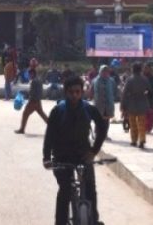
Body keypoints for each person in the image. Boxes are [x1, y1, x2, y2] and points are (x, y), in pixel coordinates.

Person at [43, 76, 108, 225]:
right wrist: (46, 158)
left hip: (83, 155)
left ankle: (93, 220)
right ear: (65, 92)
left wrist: (94, 151)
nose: (74, 95)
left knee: (90, 189)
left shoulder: (88, 109)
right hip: (62, 157)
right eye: (71, 92)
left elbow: (102, 128)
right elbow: (49, 136)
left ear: (82, 92)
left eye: (78, 92)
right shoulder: (58, 111)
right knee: (65, 190)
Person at [120, 62, 151, 149]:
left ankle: (134, 140)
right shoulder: (145, 79)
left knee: (133, 123)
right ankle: (142, 139)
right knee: (142, 123)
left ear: (133, 69)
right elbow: (149, 90)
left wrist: (123, 105)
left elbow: (124, 93)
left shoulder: (129, 80)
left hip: (131, 103)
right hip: (142, 103)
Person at [15, 68, 48, 134]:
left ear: (32, 74)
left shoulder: (34, 81)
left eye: (29, 74)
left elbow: (32, 92)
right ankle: (54, 127)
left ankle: (22, 129)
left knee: (25, 114)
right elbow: (39, 91)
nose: (28, 75)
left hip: (33, 101)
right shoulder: (39, 80)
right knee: (42, 115)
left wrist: (25, 93)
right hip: (38, 101)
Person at [90, 65, 116, 140]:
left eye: (106, 71)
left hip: (108, 104)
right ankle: (97, 134)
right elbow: (91, 91)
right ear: (100, 72)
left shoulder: (111, 81)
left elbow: (114, 90)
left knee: (106, 120)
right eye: (103, 71)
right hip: (99, 103)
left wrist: (112, 98)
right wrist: (92, 98)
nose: (105, 73)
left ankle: (105, 134)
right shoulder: (95, 80)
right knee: (98, 120)